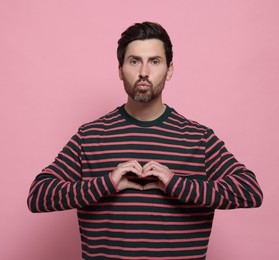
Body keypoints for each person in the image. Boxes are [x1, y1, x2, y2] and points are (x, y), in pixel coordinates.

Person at [27, 21, 263, 260]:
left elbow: (250, 190)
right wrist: (106, 183)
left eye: (154, 61)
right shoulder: (90, 136)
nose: (143, 71)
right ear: (120, 70)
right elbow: (38, 196)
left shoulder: (198, 138)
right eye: (134, 61)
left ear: (169, 70)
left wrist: (175, 184)